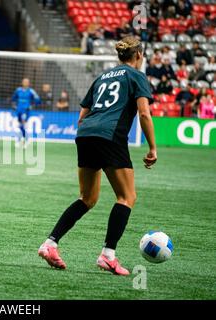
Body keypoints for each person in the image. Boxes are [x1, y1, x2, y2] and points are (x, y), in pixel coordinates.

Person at [38, 36, 157, 276]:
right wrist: (153, 148)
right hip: (110, 136)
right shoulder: (137, 76)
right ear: (139, 56)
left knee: (87, 198)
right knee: (126, 196)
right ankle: (108, 255)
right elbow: (144, 114)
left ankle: (50, 244)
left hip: (86, 133)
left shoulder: (102, 77)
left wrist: (91, 132)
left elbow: (82, 116)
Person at [11, 78, 40, 147]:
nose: (25, 83)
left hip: (26, 110)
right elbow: (13, 99)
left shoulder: (31, 91)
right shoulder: (18, 90)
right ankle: (26, 139)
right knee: (19, 125)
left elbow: (38, 100)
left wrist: (32, 106)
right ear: (22, 82)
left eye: (27, 82)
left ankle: (21, 140)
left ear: (29, 83)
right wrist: (14, 106)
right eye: (24, 82)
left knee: (23, 124)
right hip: (19, 110)